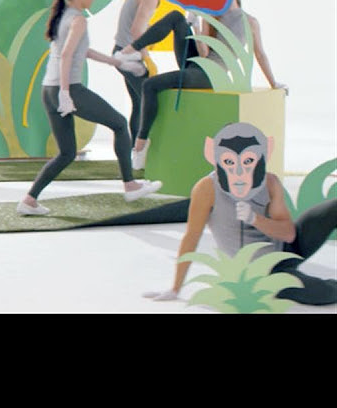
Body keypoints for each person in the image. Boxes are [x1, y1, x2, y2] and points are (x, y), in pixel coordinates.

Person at [17, 0, 160, 215]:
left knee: (66, 153)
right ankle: (130, 185)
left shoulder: (65, 15)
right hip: (68, 89)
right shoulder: (78, 20)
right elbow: (66, 55)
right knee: (119, 123)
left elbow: (82, 51)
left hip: (48, 90)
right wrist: (65, 93)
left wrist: (117, 62)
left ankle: (29, 201)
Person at [144, 122, 336, 306]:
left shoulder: (269, 182)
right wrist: (175, 288)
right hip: (264, 272)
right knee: (324, 293)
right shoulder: (207, 189)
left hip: (287, 248)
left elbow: (289, 233)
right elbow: (192, 237)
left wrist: (255, 219)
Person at [113, 0, 286, 170]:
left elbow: (259, 54)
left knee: (149, 85)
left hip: (210, 74)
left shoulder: (249, 22)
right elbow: (204, 53)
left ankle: (140, 146)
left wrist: (273, 83)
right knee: (176, 17)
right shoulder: (212, 15)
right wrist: (195, 25)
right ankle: (131, 50)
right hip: (196, 63)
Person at [112, 0, 161, 142]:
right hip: (128, 56)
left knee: (140, 104)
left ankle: (135, 148)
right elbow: (136, 31)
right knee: (149, 102)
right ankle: (142, 148)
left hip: (121, 51)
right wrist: (147, 57)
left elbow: (136, 24)